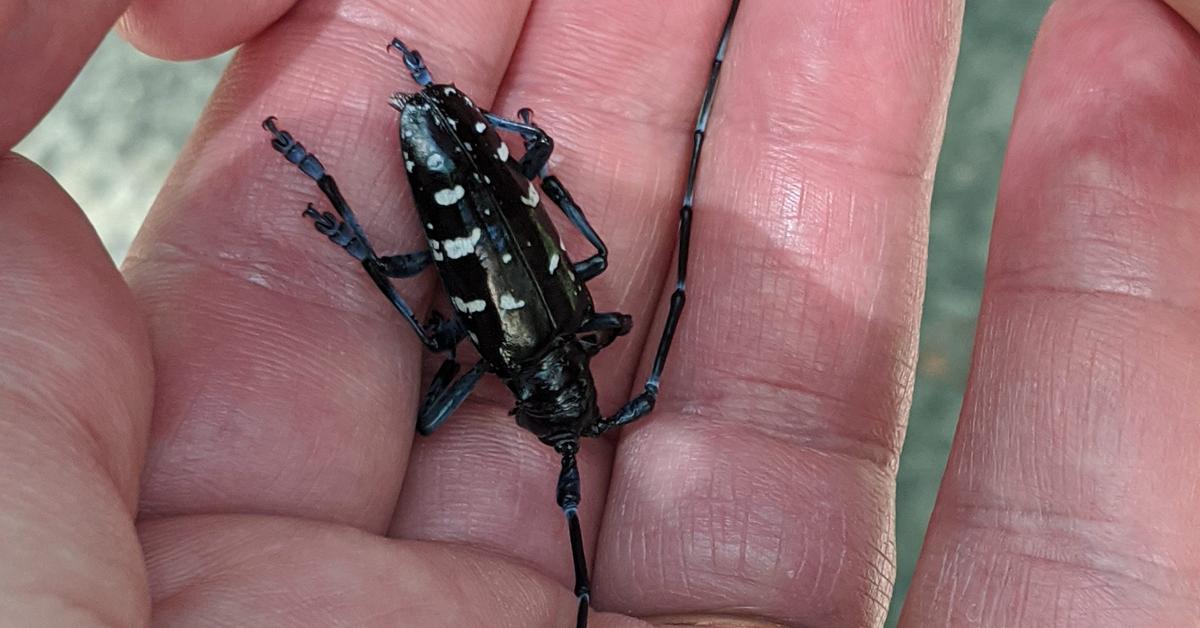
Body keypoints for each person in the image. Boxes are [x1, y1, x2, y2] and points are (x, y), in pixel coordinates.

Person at [2, 0, 1198, 626]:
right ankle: (346, 186)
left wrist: (509, 184)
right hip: (465, 155)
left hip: (466, 160)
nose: (571, 421)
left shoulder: (571, 320)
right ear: (564, 382)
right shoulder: (511, 353)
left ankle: (343, 188)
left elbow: (575, 284)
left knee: (492, 296)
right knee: (441, 321)